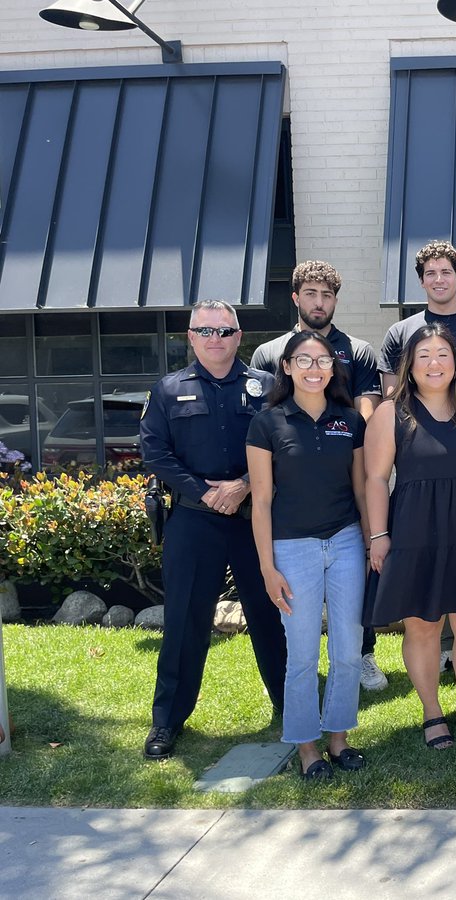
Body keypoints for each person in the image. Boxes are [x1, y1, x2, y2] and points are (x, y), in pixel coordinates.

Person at [138, 300, 286, 760]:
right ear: (191, 336)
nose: (216, 339)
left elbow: (287, 444)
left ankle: (292, 705)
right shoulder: (167, 390)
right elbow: (155, 453)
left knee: (273, 615)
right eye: (206, 331)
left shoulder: (268, 387)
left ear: (240, 337)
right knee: (184, 620)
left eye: (225, 331)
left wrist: (244, 485)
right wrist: (204, 492)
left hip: (253, 519)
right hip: (194, 520)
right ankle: (167, 721)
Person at [365, 323, 456, 749]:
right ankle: (432, 713)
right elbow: (376, 479)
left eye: (443, 355)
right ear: (409, 365)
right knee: (424, 628)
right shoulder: (390, 414)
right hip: (415, 533)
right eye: (424, 355)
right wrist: (378, 535)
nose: (434, 363)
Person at [251, 260, 389, 692]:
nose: (319, 302)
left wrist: (355, 450)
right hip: (293, 471)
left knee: (355, 581)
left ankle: (362, 654)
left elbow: (367, 406)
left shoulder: (358, 351)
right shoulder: (269, 353)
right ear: (295, 298)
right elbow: (267, 421)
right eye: (311, 294)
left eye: (327, 295)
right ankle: (299, 672)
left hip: (349, 462)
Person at [246, 331, 368, 780]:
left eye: (322, 361)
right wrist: (266, 567)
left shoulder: (350, 421)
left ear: (333, 369)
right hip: (291, 548)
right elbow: (260, 501)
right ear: (287, 366)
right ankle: (306, 747)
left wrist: (374, 541)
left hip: (346, 542)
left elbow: (361, 488)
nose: (314, 369)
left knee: (348, 649)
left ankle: (338, 738)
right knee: (300, 655)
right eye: (304, 361)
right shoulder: (267, 423)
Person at [379, 240, 456, 408]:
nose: (439, 280)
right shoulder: (399, 332)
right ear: (421, 281)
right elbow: (392, 396)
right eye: (430, 273)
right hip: (417, 430)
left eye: (446, 272)